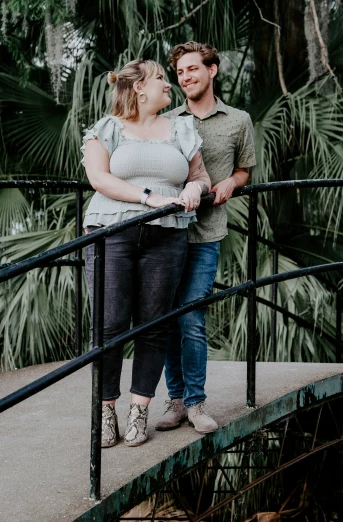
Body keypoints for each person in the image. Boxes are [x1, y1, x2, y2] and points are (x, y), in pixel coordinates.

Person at [80, 59, 211, 448]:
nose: (169, 86)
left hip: (168, 236)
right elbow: (99, 178)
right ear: (138, 88)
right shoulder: (106, 129)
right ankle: (106, 413)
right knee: (109, 325)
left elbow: (200, 175)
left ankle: (139, 412)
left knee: (155, 325)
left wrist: (195, 190)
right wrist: (149, 198)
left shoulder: (182, 127)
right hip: (110, 233)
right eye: (160, 80)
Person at [156, 42, 256, 434]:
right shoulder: (166, 120)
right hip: (165, 233)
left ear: (212, 70)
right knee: (166, 318)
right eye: (180, 73)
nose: (185, 78)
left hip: (206, 233)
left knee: (192, 316)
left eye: (192, 70)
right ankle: (176, 402)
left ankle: (196, 404)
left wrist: (232, 181)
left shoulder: (238, 120)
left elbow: (246, 169)